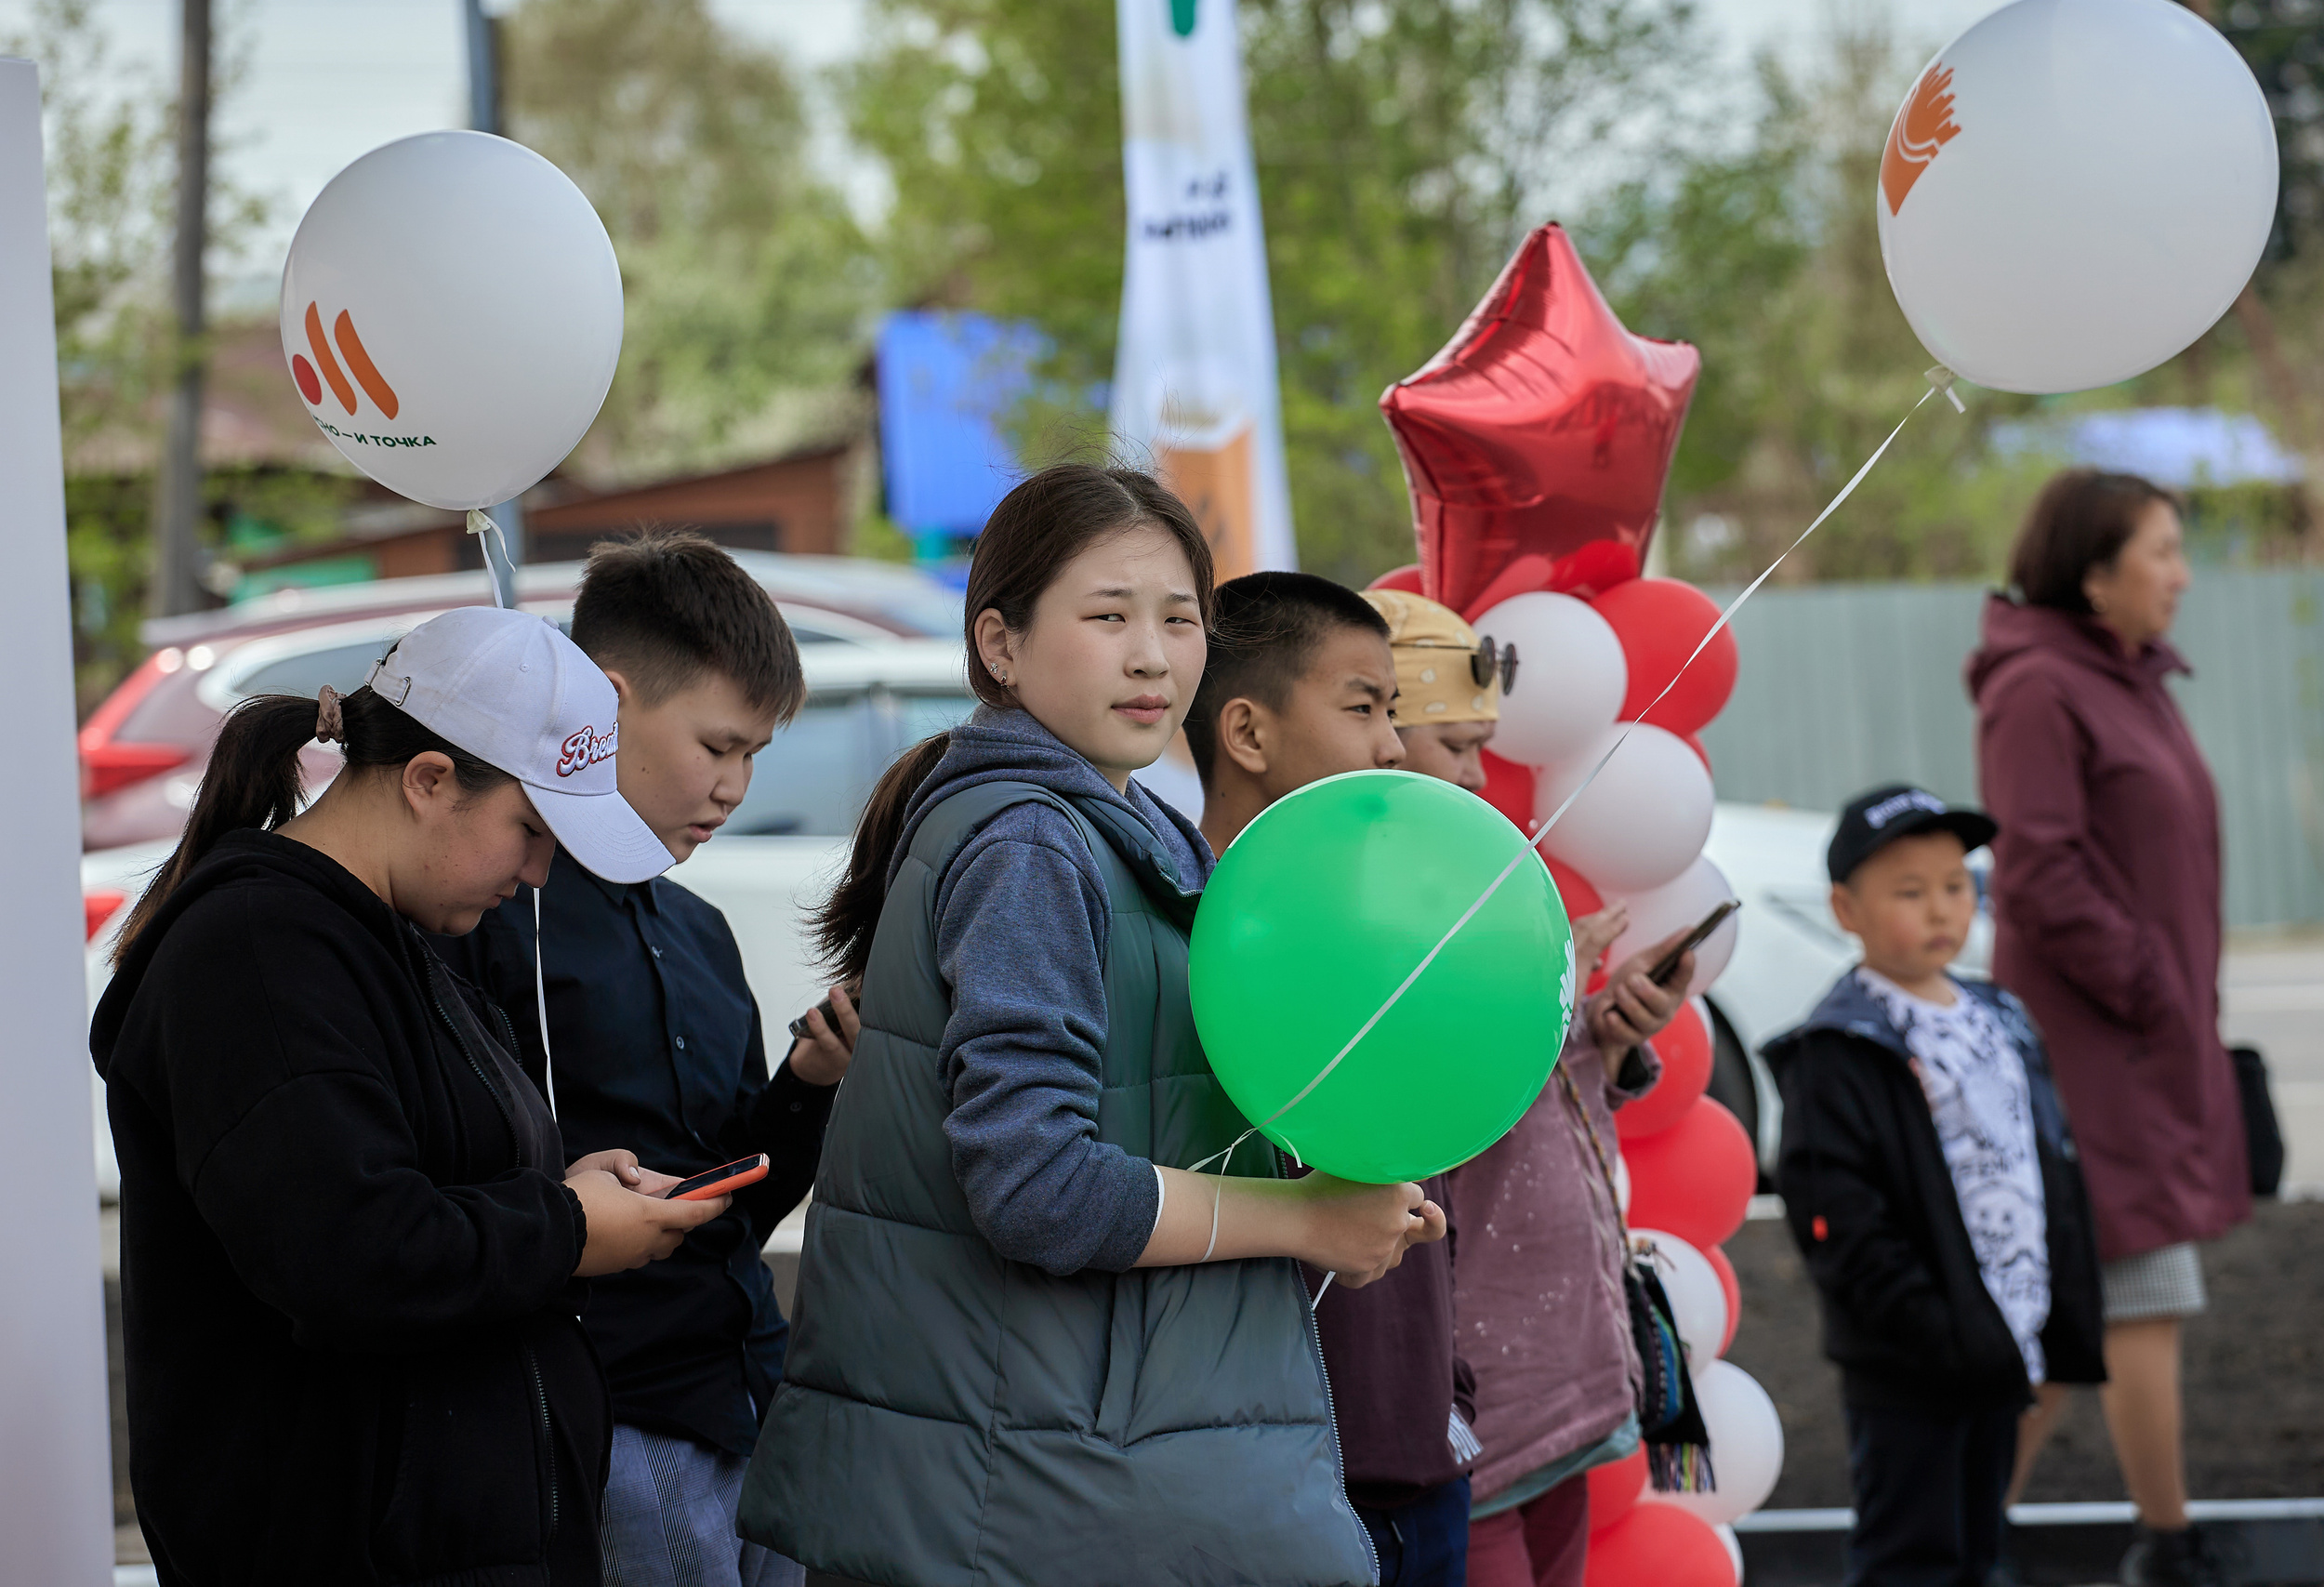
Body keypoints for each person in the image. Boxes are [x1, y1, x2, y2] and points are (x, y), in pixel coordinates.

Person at [734, 464, 1442, 1587]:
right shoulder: (1031, 844)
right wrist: (1305, 1221)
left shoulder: (1117, 826)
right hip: (1031, 1479)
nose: (1153, 657)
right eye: (1107, 617)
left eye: (1179, 620)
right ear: (1000, 646)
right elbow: (1038, 1189)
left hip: (1064, 1455)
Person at [92, 606, 733, 1586]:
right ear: (430, 781)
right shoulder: (259, 952)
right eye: (529, 829)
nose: (537, 874)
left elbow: (405, 1183)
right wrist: (562, 1227)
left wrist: (558, 1187)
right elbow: (348, 1249)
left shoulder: (388, 935)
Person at [434, 534, 857, 1587]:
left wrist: (807, 1089)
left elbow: (729, 1204)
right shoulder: (490, 922)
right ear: (607, 704)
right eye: (718, 745)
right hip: (610, 1411)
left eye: (756, 754)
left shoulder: (700, 932)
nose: (735, 787)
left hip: (754, 1393)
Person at [1366, 589, 1693, 1587]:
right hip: (1476, 1394)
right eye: (1452, 742)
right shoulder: (1356, 905)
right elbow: (1434, 1119)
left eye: (1483, 743)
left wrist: (1604, 1032)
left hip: (1565, 1369)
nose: (1475, 771)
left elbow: (1537, 1101)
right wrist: (1542, 1005)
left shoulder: (1475, 875)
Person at [1967, 470, 2242, 1587]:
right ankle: (2165, 1544)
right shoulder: (2040, 687)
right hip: (2094, 1051)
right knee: (2134, 1294)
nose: (2180, 574)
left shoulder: (2130, 681)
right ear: (2091, 572)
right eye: (2160, 551)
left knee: (2078, 1324)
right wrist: (2149, 986)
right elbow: (2038, 869)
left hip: (2140, 1038)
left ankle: (1959, 1539)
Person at [1184, 570, 1479, 1586]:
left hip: (1422, 1452)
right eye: (1363, 709)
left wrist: (1449, 1392)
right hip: (1271, 1483)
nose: (1393, 748)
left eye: (1393, 713)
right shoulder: (1174, 947)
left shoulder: (1391, 931)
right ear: (1248, 735)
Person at [1765, 785, 2106, 1587]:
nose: (1941, 909)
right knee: (1911, 1553)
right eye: (1909, 892)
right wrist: (1925, 1322)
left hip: (2003, 1337)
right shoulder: (1841, 1045)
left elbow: (2040, 1157)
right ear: (1846, 909)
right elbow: (1838, 1217)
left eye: (1956, 886)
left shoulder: (1999, 1014)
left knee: (1983, 1542)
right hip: (1909, 1360)